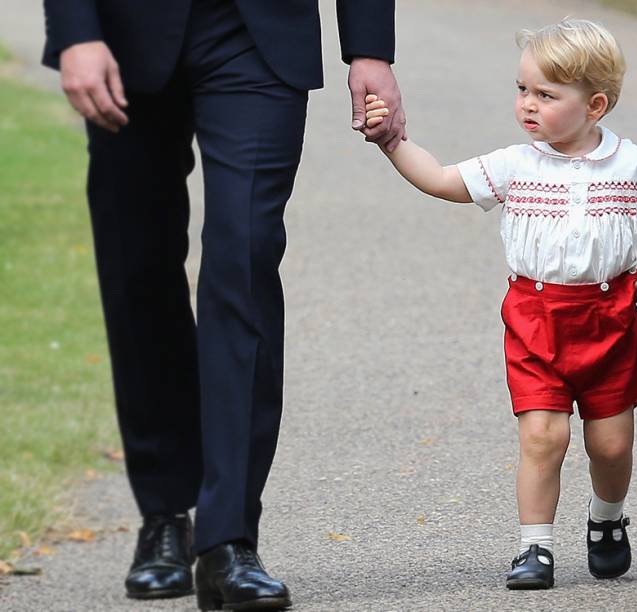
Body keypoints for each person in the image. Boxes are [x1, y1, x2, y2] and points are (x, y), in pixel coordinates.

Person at [42, 0, 406, 608]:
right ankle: (164, 513)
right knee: (138, 266)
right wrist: (76, 32)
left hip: (259, 31)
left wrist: (369, 46)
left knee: (245, 259)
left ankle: (228, 539)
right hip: (124, 34)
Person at [363, 18, 637, 590]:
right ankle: (533, 548)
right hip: (536, 319)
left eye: (546, 95)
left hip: (609, 318)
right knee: (544, 437)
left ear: (595, 105)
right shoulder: (517, 164)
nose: (527, 105)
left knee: (611, 444)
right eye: (522, 90)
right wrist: (393, 140)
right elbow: (440, 179)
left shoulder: (629, 164)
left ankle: (606, 519)